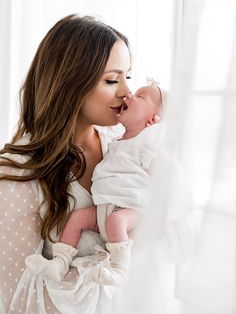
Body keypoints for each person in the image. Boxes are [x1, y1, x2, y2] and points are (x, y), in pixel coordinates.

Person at [0, 14, 139, 314]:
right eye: (112, 79)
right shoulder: (15, 174)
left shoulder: (124, 145)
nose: (126, 91)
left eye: (129, 76)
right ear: (70, 81)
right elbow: (16, 292)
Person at [25, 84, 165, 285]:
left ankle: (119, 269)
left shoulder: (147, 143)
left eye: (140, 97)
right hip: (104, 207)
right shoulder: (116, 138)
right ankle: (60, 262)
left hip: (131, 208)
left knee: (116, 222)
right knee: (77, 218)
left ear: (153, 120)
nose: (129, 94)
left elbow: (161, 177)